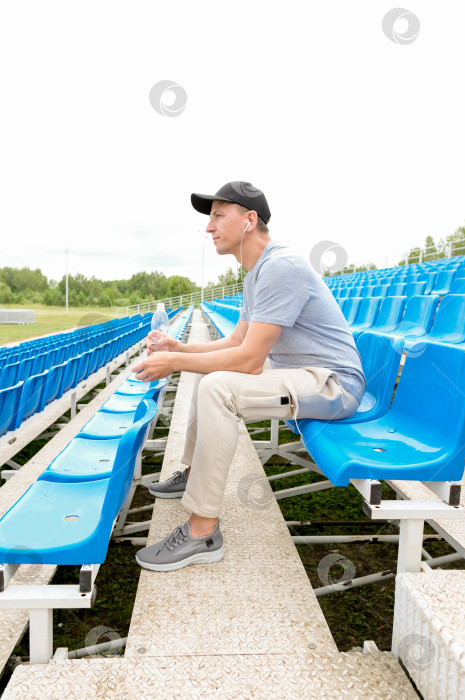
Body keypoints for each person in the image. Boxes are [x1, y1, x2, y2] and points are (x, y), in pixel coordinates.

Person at [133, 181, 365, 572]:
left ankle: (202, 531)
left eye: (219, 215)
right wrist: (180, 349)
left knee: (218, 386)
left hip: (333, 385)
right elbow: (236, 341)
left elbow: (249, 360)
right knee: (210, 375)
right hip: (300, 373)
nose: (209, 227)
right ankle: (192, 475)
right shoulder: (256, 273)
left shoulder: (281, 267)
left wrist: (174, 364)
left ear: (250, 220)